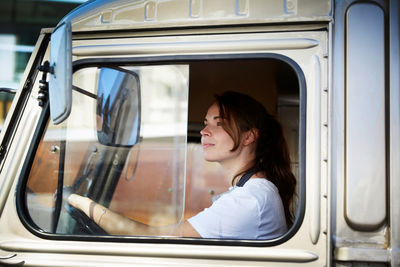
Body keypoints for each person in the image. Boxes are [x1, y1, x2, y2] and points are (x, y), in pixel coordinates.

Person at [68, 91, 296, 239]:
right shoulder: (251, 192)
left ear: (248, 137)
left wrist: (83, 203)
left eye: (219, 124)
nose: (204, 131)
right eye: (206, 123)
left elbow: (150, 237)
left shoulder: (250, 199)